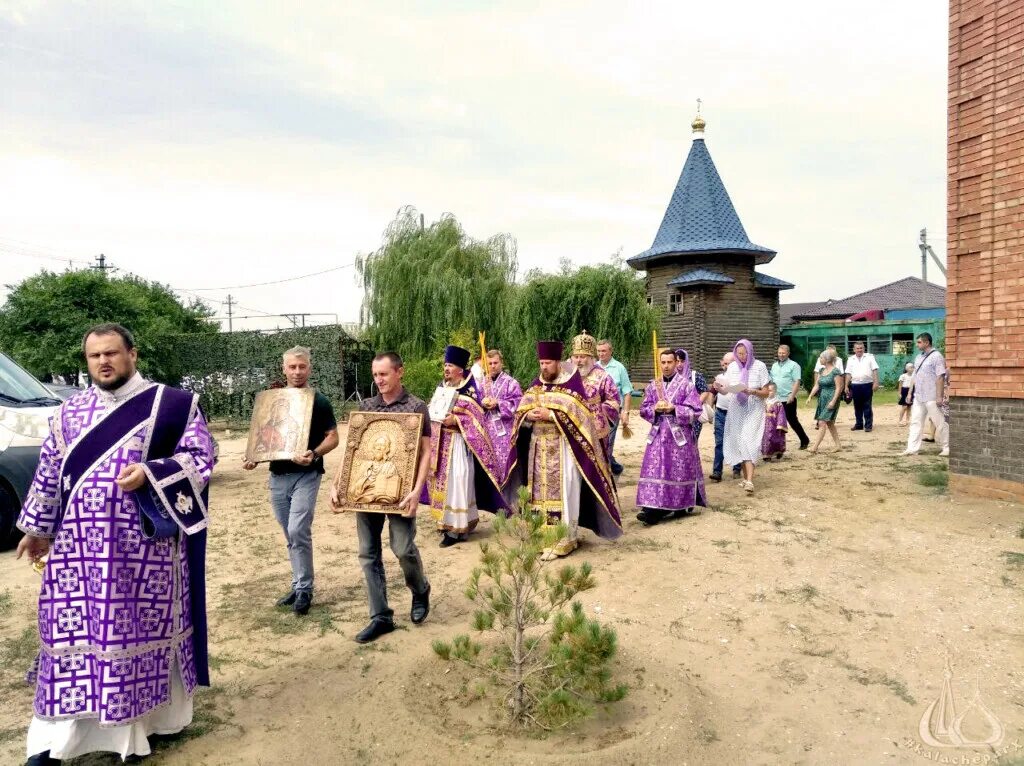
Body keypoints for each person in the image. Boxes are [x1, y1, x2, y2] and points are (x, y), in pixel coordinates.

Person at [16, 323, 215, 765]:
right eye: (94, 356)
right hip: (78, 552)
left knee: (132, 635)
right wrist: (36, 528)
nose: (103, 362)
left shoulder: (174, 405)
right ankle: (57, 741)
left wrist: (152, 473)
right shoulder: (69, 412)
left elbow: (202, 458)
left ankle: (142, 730)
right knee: (75, 636)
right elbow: (50, 472)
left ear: (132, 354)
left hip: (144, 553)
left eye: (111, 353)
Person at [331, 352, 433, 644]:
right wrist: (337, 484)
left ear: (400, 372)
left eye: (384, 374)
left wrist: (417, 490)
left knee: (402, 548)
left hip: (402, 493)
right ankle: (380, 616)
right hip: (364, 494)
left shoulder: (417, 407)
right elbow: (352, 451)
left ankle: (420, 589)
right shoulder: (367, 407)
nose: (379, 381)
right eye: (375, 375)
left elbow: (426, 452)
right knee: (368, 553)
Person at [505, 341, 623, 560]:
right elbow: (521, 410)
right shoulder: (536, 385)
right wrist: (527, 416)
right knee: (537, 493)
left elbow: (581, 417)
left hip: (563, 450)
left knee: (563, 492)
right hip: (538, 449)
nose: (544, 367)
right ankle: (541, 536)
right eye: (541, 362)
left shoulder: (571, 386)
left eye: (548, 362)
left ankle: (563, 538)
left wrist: (552, 416)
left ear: (558, 362)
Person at [243, 346, 338, 616]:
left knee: (298, 530)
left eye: (302, 367)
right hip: (278, 476)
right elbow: (263, 440)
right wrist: (253, 457)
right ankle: (297, 585)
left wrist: (315, 453)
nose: (297, 372)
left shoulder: (318, 401)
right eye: (292, 367)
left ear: (309, 368)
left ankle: (305, 589)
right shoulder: (270, 402)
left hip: (306, 475)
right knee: (289, 534)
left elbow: (333, 437)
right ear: (284, 369)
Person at [423, 345, 508, 547]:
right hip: (440, 444)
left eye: (450, 365)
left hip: (459, 445)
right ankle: (446, 523)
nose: (446, 369)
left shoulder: (469, 391)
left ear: (460, 369)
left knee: (458, 481)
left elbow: (477, 418)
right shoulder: (442, 388)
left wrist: (457, 421)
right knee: (442, 483)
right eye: (445, 365)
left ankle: (458, 528)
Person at [636, 348, 706, 525]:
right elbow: (643, 409)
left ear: (676, 363)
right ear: (659, 363)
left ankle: (673, 506)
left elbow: (696, 411)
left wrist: (674, 408)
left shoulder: (687, 385)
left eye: (669, 362)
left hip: (679, 438)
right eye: (663, 362)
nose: (666, 366)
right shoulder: (654, 385)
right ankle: (651, 507)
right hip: (658, 436)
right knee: (656, 469)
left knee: (677, 472)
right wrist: (655, 409)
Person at [718, 339, 772, 493]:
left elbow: (766, 392)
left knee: (749, 440)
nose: (741, 356)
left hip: (754, 406)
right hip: (737, 407)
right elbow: (726, 390)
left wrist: (753, 391)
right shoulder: (733, 367)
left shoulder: (759, 366)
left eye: (744, 353)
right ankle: (745, 477)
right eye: (739, 353)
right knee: (739, 441)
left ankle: (749, 480)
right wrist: (719, 388)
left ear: (750, 352)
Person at [571, 332, 620, 472]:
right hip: (570, 429)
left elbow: (614, 402)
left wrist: (597, 413)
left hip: (595, 433)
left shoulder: (603, 377)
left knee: (594, 469)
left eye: (582, 357)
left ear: (591, 358)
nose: (579, 360)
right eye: (576, 357)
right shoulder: (565, 376)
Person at [476, 349, 523, 471]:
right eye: (490, 363)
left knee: (505, 466)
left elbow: (518, 404)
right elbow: (475, 403)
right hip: (487, 431)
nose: (492, 366)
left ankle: (505, 489)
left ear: (501, 363)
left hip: (505, 433)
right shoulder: (482, 383)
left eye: (495, 363)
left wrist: (498, 404)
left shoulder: (511, 383)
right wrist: (482, 404)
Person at [904, 333, 949, 457]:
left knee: (939, 422)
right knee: (915, 421)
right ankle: (912, 449)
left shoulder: (937, 356)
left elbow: (940, 376)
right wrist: (909, 392)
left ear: (926, 342)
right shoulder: (918, 357)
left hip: (932, 395)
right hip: (919, 395)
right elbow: (915, 375)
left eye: (919, 342)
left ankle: (947, 446)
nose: (917, 344)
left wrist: (939, 396)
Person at [596, 339, 632, 475]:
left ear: (611, 351)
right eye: (599, 351)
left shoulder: (619, 368)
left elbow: (627, 391)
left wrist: (626, 412)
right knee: (598, 442)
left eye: (604, 351)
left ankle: (605, 471)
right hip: (596, 412)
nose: (601, 354)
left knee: (607, 442)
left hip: (612, 412)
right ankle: (614, 466)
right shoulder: (594, 367)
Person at [770, 345, 810, 450]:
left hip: (788, 398)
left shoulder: (794, 365)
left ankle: (804, 439)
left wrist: (792, 395)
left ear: (788, 353)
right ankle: (777, 445)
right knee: (775, 423)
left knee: (792, 421)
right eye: (779, 353)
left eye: (783, 353)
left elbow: (797, 381)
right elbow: (771, 381)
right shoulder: (774, 366)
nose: (781, 355)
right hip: (776, 399)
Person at [710, 352, 740, 482]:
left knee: (734, 442)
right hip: (720, 412)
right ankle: (717, 472)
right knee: (719, 442)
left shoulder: (740, 377)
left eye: (730, 363)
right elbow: (712, 392)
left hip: (735, 413)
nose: (727, 366)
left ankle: (737, 468)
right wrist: (711, 407)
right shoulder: (719, 377)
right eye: (726, 363)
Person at [807, 349, 845, 453]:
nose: (820, 359)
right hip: (822, 398)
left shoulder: (836, 371)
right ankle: (838, 446)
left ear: (827, 359)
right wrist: (810, 396)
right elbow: (817, 385)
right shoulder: (821, 371)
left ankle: (815, 447)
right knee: (830, 423)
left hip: (832, 398)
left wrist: (833, 401)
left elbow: (839, 388)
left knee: (822, 422)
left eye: (821, 357)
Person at [674, 348, 710, 443]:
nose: (679, 364)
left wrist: (696, 404)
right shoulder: (672, 377)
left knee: (692, 442)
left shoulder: (695, 376)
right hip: (676, 415)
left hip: (693, 416)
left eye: (682, 361)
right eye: (677, 361)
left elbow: (705, 391)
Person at [845, 342, 880, 432]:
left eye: (861, 348)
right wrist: (846, 386)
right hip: (855, 385)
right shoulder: (850, 359)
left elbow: (875, 370)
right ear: (854, 349)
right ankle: (859, 424)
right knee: (857, 406)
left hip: (867, 384)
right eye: (857, 348)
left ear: (864, 349)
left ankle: (868, 425)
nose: (859, 350)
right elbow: (848, 373)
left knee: (867, 405)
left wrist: (876, 382)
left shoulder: (869, 357)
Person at [760, 382, 790, 460]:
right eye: (767, 390)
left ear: (775, 391)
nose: (768, 392)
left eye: (770, 390)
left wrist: (780, 425)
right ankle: (766, 455)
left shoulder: (778, 403)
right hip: (764, 424)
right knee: (765, 439)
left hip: (774, 425)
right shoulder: (763, 401)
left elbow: (781, 415)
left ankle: (779, 451)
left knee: (775, 438)